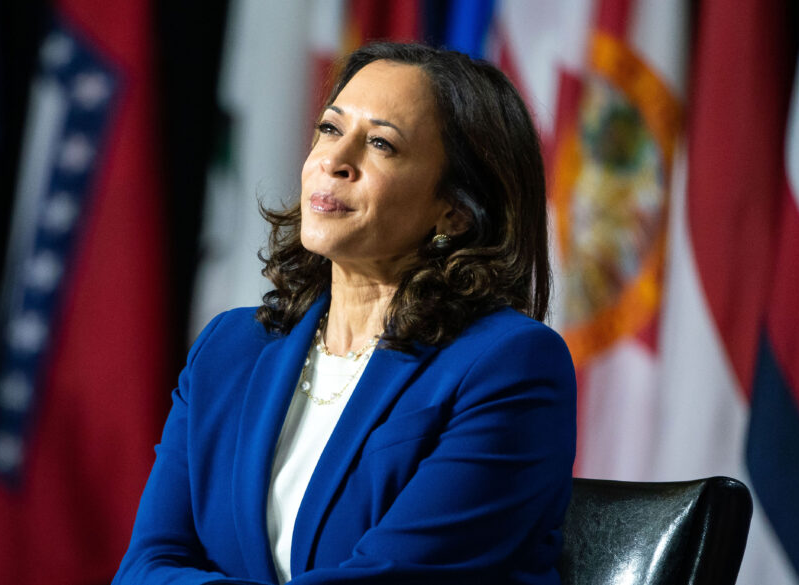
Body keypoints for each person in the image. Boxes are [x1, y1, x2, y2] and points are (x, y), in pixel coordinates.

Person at [113, 42, 576, 585]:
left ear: (453, 208)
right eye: (331, 130)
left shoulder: (508, 365)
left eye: (381, 143)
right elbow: (144, 567)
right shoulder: (229, 349)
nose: (334, 160)